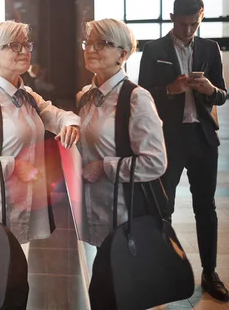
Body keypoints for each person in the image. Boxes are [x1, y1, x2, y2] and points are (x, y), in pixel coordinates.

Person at [0, 20, 80, 309]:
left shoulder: (25, 96)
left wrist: (71, 122)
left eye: (26, 44)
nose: (24, 50)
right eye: (13, 45)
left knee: (12, 288)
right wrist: (14, 167)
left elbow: (54, 114)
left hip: (22, 207)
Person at [138, 0, 228, 302]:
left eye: (194, 24)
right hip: (167, 140)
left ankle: (210, 272)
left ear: (201, 17)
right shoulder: (153, 50)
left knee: (207, 208)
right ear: (172, 17)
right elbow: (143, 97)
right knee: (163, 209)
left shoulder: (210, 48)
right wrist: (170, 89)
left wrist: (210, 90)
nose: (188, 30)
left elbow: (222, 95)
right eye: (182, 24)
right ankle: (161, 271)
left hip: (202, 138)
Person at [76, 18, 167, 308]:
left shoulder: (136, 98)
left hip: (125, 217)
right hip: (97, 214)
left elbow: (154, 162)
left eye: (102, 43)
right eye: (88, 42)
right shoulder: (87, 97)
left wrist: (105, 166)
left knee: (110, 296)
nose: (92, 48)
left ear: (123, 53)